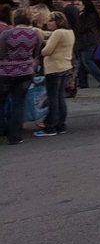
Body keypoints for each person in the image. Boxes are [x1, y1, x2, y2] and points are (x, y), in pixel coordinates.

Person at [0, 8, 43, 145]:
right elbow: (36, 53)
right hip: (25, 71)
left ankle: (2, 130)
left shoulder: (7, 34)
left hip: (5, 72)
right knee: (19, 103)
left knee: (2, 102)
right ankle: (15, 135)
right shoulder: (35, 34)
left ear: (14, 19)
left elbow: (1, 53)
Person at [34, 11, 74, 137]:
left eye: (51, 20)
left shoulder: (58, 33)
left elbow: (46, 51)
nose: (48, 23)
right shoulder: (69, 32)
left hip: (54, 68)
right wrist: (39, 32)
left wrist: (43, 45)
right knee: (60, 97)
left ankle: (50, 126)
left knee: (52, 99)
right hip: (65, 67)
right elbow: (49, 35)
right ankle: (61, 125)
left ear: (58, 21)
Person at [75, 0, 100, 89]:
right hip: (87, 41)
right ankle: (83, 82)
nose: (78, 7)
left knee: (87, 61)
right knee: (82, 63)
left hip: (87, 41)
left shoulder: (86, 16)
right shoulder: (92, 15)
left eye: (80, 5)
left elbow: (81, 28)